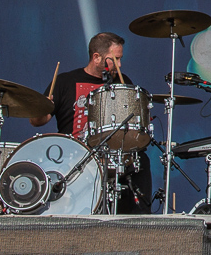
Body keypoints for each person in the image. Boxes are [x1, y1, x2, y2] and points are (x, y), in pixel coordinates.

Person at [30, 31, 152, 212]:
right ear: (96, 57)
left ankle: (138, 226)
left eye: (120, 59)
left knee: (141, 159)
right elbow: (37, 121)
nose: (119, 64)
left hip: (112, 155)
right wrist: (43, 107)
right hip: (74, 158)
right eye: (115, 59)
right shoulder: (65, 81)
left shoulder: (122, 81)